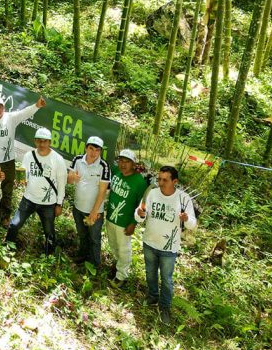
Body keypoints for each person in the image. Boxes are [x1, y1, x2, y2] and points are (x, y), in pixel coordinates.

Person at [135, 166, 197, 326]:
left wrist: (186, 219)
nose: (160, 183)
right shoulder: (153, 193)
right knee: (150, 273)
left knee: (167, 279)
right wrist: (139, 214)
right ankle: (152, 296)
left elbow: (192, 225)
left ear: (174, 182)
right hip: (149, 242)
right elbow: (140, 215)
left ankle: (164, 307)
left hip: (169, 248)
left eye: (165, 180)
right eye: (159, 179)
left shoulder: (183, 199)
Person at [0, 92, 46, 224]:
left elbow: (25, 112)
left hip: (8, 162)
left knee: (7, 191)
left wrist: (37, 106)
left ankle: (5, 216)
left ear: (4, 108)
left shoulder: (10, 118)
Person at [5, 127, 67, 255]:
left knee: (49, 233)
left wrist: (59, 204)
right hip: (29, 199)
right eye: (39, 141)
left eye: (45, 141)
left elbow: (62, 184)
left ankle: (49, 257)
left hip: (48, 203)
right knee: (14, 225)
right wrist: (21, 181)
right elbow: (24, 175)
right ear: (35, 141)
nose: (42, 144)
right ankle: (7, 250)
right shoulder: (29, 156)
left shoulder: (57, 159)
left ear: (50, 142)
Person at [104, 149, 149, 285]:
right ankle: (118, 266)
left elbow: (141, 205)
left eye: (127, 162)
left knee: (124, 249)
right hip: (111, 217)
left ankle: (121, 276)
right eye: (121, 161)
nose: (123, 164)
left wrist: (133, 223)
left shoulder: (139, 182)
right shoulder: (116, 172)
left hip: (125, 222)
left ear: (134, 164)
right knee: (113, 245)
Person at [68, 135, 111, 268]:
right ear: (86, 148)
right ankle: (82, 257)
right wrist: (71, 178)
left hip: (95, 211)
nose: (93, 153)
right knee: (82, 234)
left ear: (100, 151)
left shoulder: (104, 166)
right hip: (78, 207)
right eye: (91, 148)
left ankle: (95, 264)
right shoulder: (77, 160)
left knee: (94, 238)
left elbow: (103, 191)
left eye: (97, 150)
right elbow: (69, 180)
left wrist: (94, 211)